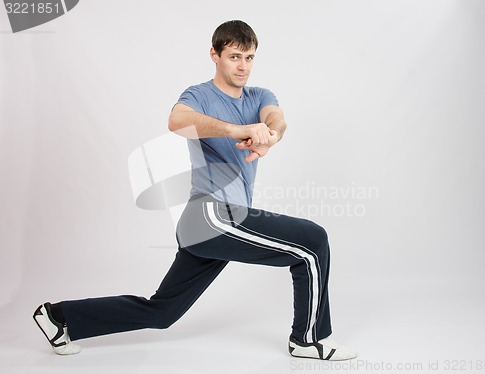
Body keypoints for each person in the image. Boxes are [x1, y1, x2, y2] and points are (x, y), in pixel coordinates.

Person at [33, 20, 357, 361]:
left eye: (249, 57)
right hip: (211, 214)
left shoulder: (260, 96)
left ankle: (58, 317)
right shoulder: (199, 95)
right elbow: (176, 122)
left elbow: (277, 119)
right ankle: (307, 340)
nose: (243, 65)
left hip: (214, 225)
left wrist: (269, 137)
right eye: (234, 56)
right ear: (214, 55)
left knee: (161, 312)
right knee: (312, 242)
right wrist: (237, 130)